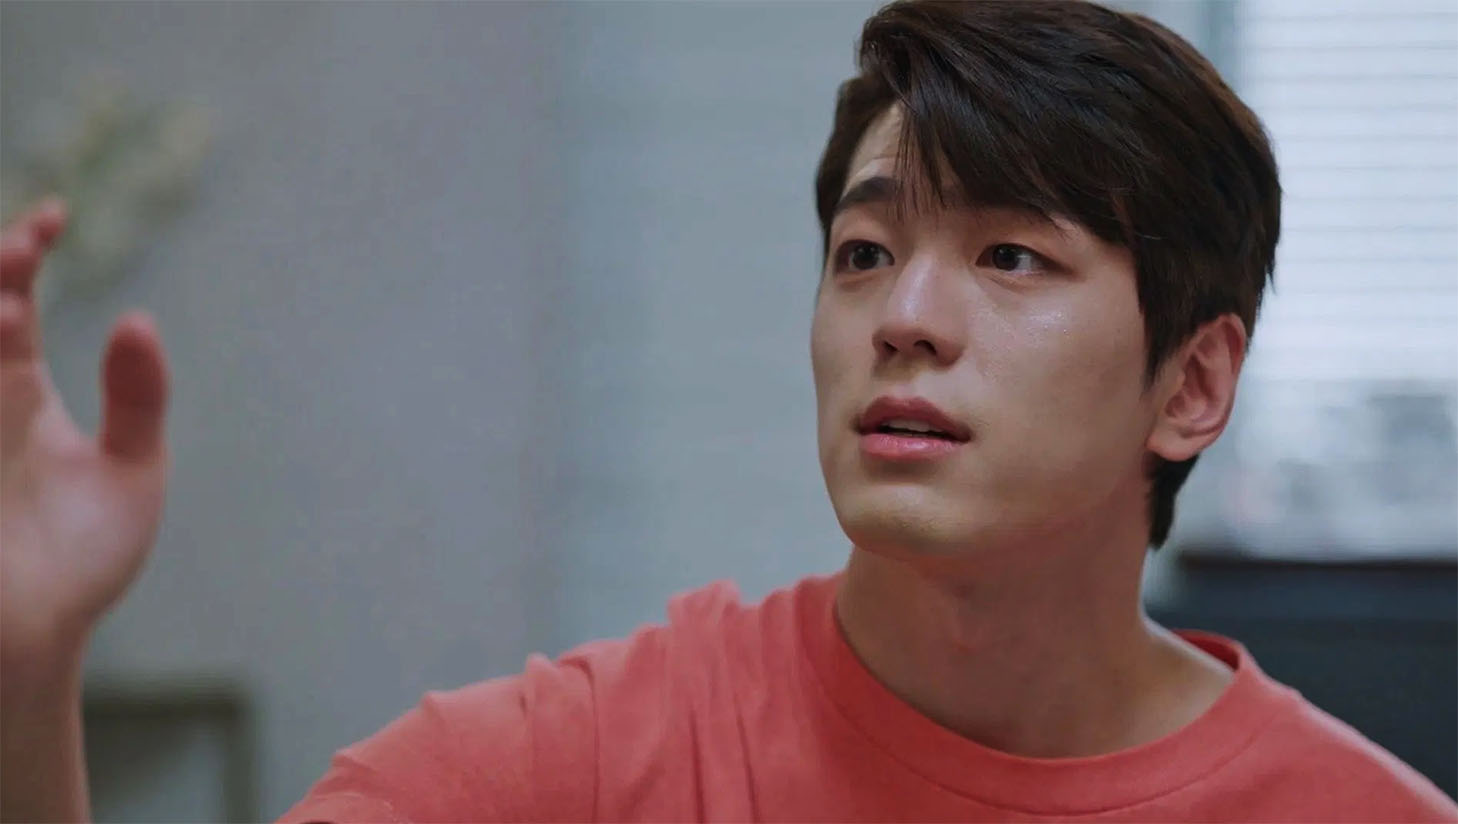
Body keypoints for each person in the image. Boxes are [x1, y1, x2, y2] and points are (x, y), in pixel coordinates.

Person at [2, 1, 1454, 821]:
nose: (902, 316)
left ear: (1191, 385)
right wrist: (26, 666)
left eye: (1011, 256)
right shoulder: (579, 764)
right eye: (864, 253)